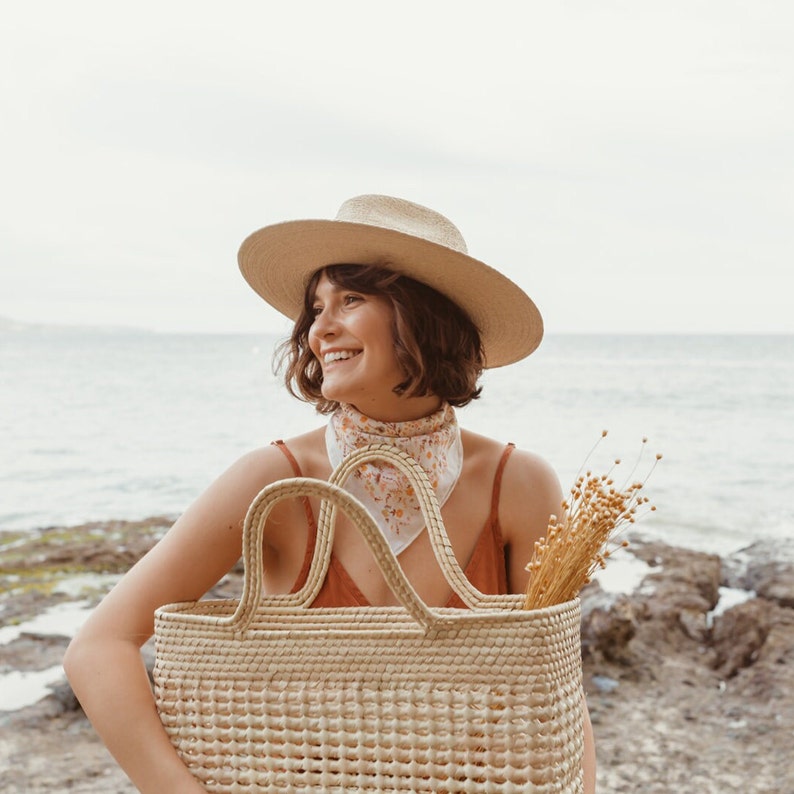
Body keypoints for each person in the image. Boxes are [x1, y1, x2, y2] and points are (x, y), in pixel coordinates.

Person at [64, 194, 596, 792]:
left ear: (426, 316)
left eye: (351, 298)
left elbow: (558, 690)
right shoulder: (274, 479)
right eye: (316, 307)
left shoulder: (518, 484)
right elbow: (99, 647)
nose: (321, 328)